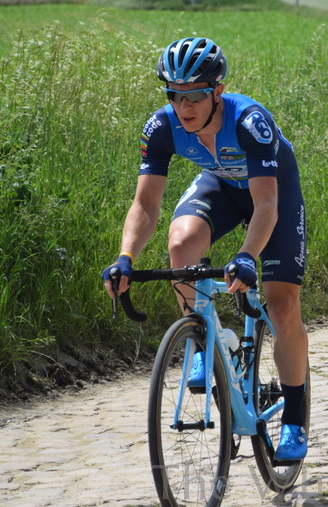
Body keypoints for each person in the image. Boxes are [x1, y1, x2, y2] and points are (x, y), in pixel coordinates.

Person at [102, 37, 309, 461]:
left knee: (282, 306)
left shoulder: (250, 121)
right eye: (174, 95)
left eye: (194, 94)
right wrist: (125, 258)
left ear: (217, 90)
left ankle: (294, 419)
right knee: (181, 244)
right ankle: (202, 340)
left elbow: (266, 204)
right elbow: (145, 204)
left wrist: (247, 256)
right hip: (222, 186)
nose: (184, 106)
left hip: (273, 195)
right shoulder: (161, 127)